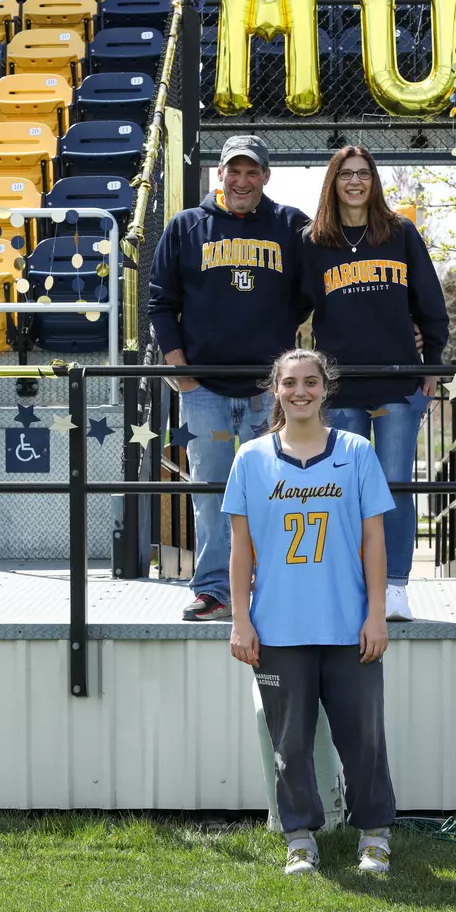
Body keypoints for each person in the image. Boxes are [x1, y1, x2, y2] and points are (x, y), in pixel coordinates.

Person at [222, 348, 397, 875]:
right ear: (275, 390)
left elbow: (373, 540)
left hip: (348, 625)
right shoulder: (250, 458)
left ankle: (374, 835)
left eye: (311, 382)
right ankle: (300, 837)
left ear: (326, 388)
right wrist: (240, 619)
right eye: (290, 382)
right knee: (289, 742)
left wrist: (377, 614)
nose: (301, 391)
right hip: (278, 627)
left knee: (363, 738)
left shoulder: (357, 451)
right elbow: (240, 548)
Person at [148, 135, 309, 622]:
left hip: (269, 392)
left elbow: (311, 290)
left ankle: (278, 587)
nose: (242, 181)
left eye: (252, 172)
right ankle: (215, 589)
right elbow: (161, 302)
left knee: (278, 491)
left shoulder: (290, 225)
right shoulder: (186, 226)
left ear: (266, 175)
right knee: (211, 491)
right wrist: (182, 371)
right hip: (206, 392)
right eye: (233, 171)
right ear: (219, 173)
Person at [300, 145, 449, 622]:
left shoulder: (400, 233)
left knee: (395, 487)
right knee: (341, 490)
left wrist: (433, 362)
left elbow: (429, 301)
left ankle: (396, 585)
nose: (356, 182)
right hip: (341, 388)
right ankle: (349, 585)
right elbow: (288, 310)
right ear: (333, 181)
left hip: (397, 386)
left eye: (364, 173)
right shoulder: (313, 241)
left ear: (374, 181)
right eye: (346, 174)